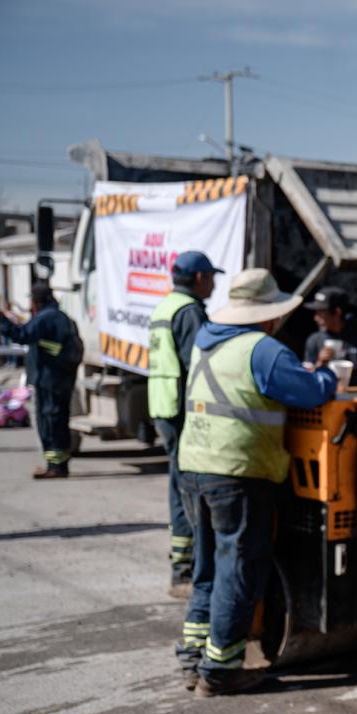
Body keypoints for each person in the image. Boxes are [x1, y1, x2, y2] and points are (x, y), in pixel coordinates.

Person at [175, 269, 338, 696]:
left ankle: (193, 656)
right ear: (268, 314)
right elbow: (311, 392)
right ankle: (221, 668)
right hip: (238, 472)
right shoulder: (263, 350)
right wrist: (327, 375)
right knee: (238, 568)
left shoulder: (206, 340)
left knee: (208, 567)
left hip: (194, 465)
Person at [148, 251, 222, 596]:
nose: (214, 285)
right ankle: (184, 570)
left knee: (178, 486)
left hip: (163, 404)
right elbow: (199, 365)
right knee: (188, 490)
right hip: (181, 409)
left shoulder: (165, 306)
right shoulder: (190, 312)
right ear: (199, 278)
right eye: (212, 277)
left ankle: (182, 563)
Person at [0, 281, 81, 478]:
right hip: (59, 378)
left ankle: (56, 466)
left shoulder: (45, 317)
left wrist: (2, 321)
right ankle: (58, 464)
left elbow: (22, 335)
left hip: (50, 379)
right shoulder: (59, 317)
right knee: (57, 420)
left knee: (50, 422)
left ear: (36, 301)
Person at [302, 285, 357, 367]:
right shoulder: (314, 340)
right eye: (316, 312)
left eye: (321, 312)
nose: (315, 318)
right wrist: (320, 362)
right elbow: (306, 373)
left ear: (337, 312)